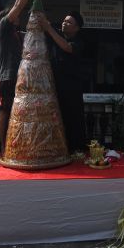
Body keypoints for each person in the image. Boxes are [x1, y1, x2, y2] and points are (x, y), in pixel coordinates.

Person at [0, 0, 39, 156]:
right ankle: (4, 148)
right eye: (16, 15)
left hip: (21, 79)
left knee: (20, 113)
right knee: (6, 111)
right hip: (7, 77)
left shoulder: (17, 34)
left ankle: (17, 146)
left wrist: (38, 0)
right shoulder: (4, 26)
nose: (18, 16)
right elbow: (19, 5)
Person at [38, 11, 86, 152]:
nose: (64, 23)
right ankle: (59, 150)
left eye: (69, 22)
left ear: (76, 28)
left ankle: (76, 151)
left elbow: (66, 47)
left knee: (73, 119)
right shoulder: (56, 32)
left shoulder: (79, 42)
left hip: (72, 88)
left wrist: (49, 29)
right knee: (56, 120)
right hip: (54, 87)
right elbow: (42, 19)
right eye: (64, 20)